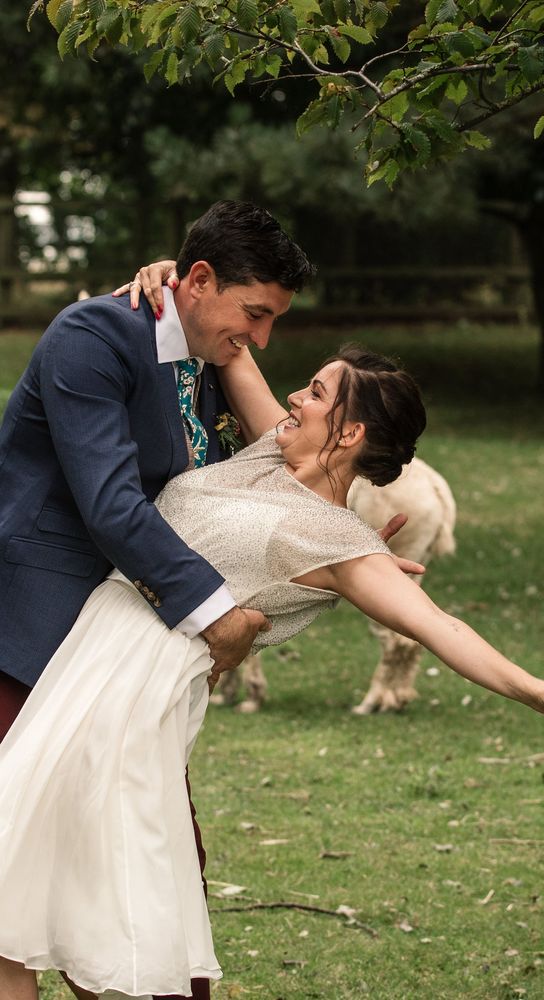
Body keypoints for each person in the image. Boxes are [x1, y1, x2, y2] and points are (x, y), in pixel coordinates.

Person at [0, 344, 544, 999]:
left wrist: (536, 689)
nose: (297, 398)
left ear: (349, 433)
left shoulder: (339, 542)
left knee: (109, 910)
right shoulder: (273, 451)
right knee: (16, 897)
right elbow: (229, 340)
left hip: (134, 694)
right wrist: (167, 276)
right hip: (83, 661)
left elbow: (441, 628)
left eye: (318, 393)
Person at [0, 201, 315, 1000]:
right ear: (199, 280)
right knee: (23, 873)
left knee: (150, 874)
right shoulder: (93, 339)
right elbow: (112, 505)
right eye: (255, 314)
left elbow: (278, 466)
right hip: (33, 634)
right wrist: (218, 617)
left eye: (275, 319)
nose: (263, 336)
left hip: (124, 654)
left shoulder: (209, 350)